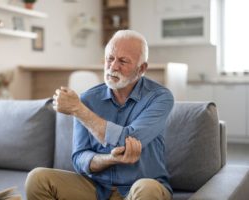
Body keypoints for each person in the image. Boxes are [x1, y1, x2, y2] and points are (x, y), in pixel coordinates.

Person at [25, 30, 174, 200]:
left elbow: (128, 140)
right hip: (97, 189)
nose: (113, 66)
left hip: (140, 187)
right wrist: (109, 159)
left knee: (146, 188)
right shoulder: (88, 99)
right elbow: (79, 158)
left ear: (142, 69)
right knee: (37, 178)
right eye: (110, 58)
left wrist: (79, 110)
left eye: (123, 61)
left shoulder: (160, 97)